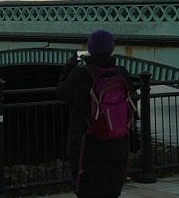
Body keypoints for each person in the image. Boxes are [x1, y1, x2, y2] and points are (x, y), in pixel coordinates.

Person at [56, 29, 134, 197]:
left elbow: (62, 93)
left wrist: (69, 66)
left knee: (87, 190)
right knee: (112, 190)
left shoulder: (82, 73)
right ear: (111, 48)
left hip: (88, 144)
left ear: (90, 48)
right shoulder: (121, 73)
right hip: (117, 143)